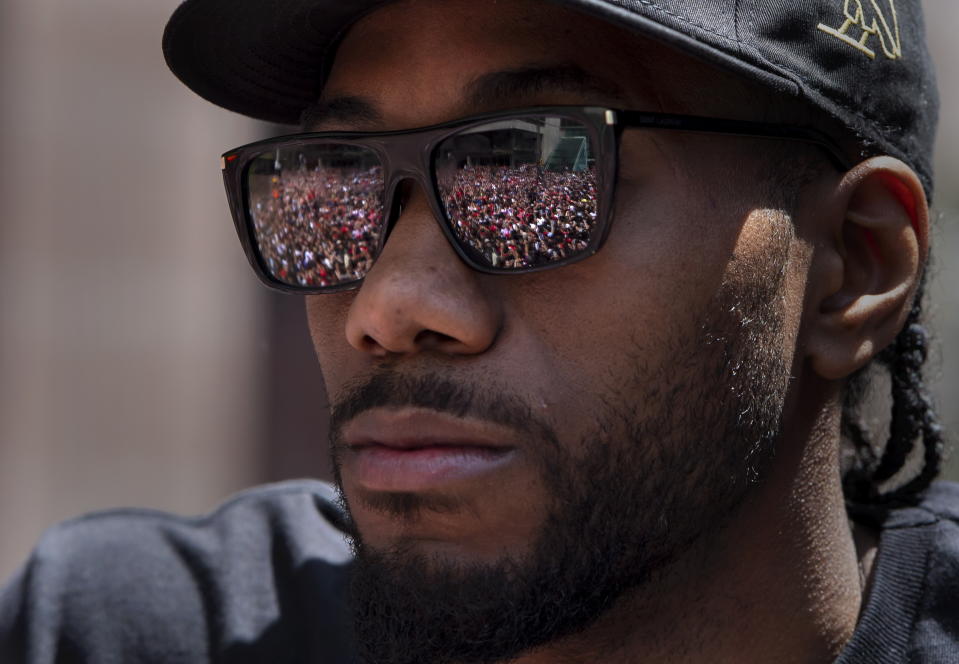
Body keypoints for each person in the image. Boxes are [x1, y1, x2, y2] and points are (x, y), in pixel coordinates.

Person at [1, 0, 956, 662]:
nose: (390, 307)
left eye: (533, 175)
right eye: (330, 185)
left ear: (854, 267)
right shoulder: (121, 633)